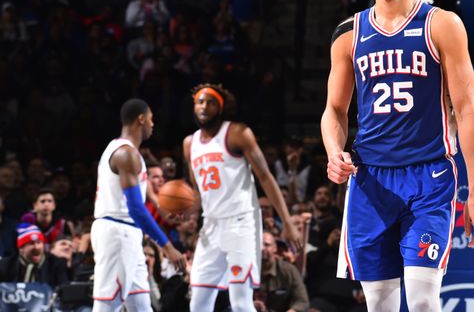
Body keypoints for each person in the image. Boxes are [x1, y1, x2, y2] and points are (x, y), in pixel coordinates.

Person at [320, 0, 474, 312]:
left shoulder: (442, 24)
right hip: (370, 180)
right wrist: (334, 151)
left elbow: (467, 111)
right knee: (379, 302)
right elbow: (335, 110)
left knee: (423, 299)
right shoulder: (348, 35)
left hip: (428, 177)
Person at [184, 83, 299, 312]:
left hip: (241, 222)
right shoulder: (190, 143)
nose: (204, 106)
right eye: (200, 102)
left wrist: (286, 222)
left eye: (211, 102)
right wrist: (185, 213)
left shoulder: (237, 133)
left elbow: (266, 177)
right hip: (211, 225)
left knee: (241, 303)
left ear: (221, 107)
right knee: (198, 303)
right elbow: (199, 193)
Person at [91, 98, 186, 312]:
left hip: (128, 234)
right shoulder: (127, 154)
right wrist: (167, 246)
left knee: (141, 306)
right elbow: (135, 209)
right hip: (117, 232)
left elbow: (145, 195)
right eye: (151, 119)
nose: (153, 125)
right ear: (141, 119)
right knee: (107, 305)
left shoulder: (128, 152)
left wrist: (164, 212)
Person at [0, 223, 69, 286]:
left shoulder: (56, 264)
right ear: (21, 248)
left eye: (39, 242)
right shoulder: (5, 265)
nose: (36, 247)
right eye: (31, 243)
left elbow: (63, 292)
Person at [256, 232, 310, 312]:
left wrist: (292, 310)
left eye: (267, 245)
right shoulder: (248, 270)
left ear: (275, 248)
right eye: (259, 245)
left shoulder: (288, 270)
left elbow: (302, 301)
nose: (262, 248)